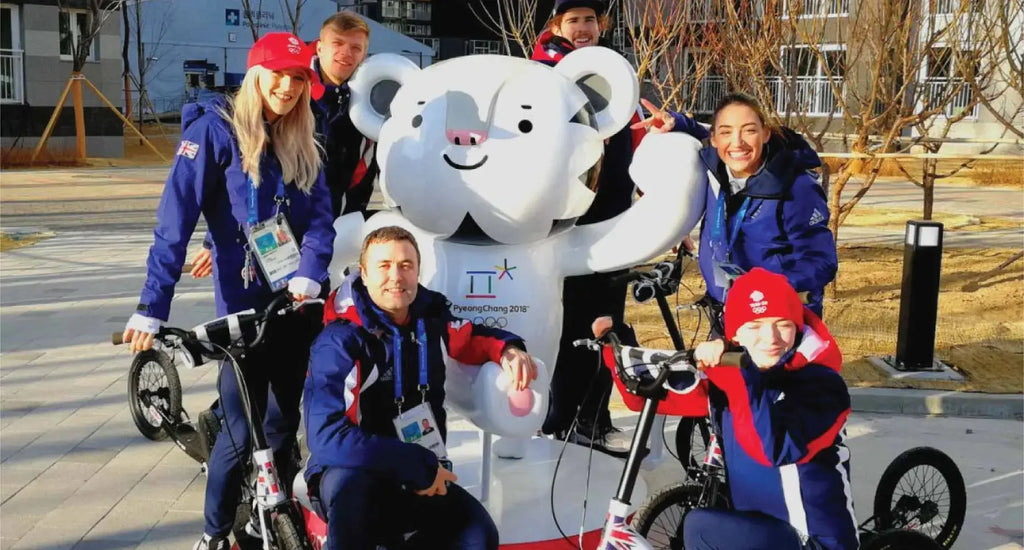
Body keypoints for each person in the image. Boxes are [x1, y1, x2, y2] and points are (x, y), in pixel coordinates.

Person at [121, 32, 335, 550]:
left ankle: (271, 515)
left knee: (284, 428)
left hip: (296, 303)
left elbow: (322, 220)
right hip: (242, 310)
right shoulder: (215, 133)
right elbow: (174, 226)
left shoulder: (304, 136)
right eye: (279, 74)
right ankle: (214, 534)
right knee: (240, 433)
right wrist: (152, 308)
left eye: (299, 77)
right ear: (257, 73)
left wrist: (310, 269)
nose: (287, 87)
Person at [303, 226, 538, 550]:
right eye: (383, 266)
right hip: (351, 469)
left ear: (417, 271)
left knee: (479, 536)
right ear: (364, 274)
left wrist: (508, 349)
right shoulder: (339, 341)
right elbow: (326, 437)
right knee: (354, 501)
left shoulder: (430, 318)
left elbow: (470, 338)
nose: (395, 276)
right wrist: (412, 462)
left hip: (421, 468)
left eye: (405, 265)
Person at [532, 0, 643, 456]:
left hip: (612, 223)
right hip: (569, 225)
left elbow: (633, 132)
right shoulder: (543, 74)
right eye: (573, 20)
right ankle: (566, 418)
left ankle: (592, 418)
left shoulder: (612, 73)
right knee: (573, 325)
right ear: (557, 26)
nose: (583, 28)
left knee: (607, 324)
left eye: (590, 20)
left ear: (603, 25)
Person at [187, 12, 376, 278]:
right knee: (269, 309)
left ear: (364, 55)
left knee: (317, 306)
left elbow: (364, 176)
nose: (346, 53)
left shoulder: (366, 105)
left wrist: (351, 230)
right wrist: (214, 238)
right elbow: (247, 165)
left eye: (355, 48)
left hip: (324, 231)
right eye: (338, 44)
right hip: (272, 230)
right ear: (320, 46)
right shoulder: (289, 91)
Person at [685, 267, 856, 550]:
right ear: (735, 335)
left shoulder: (822, 385)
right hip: (762, 525)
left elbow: (773, 449)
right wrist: (617, 346)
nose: (771, 337)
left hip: (812, 541)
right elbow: (669, 397)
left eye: (783, 323)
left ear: (798, 326)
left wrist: (736, 373)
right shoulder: (743, 373)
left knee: (700, 526)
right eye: (754, 326)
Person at [634, 93, 837, 318]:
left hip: (778, 321)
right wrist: (674, 121)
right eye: (726, 132)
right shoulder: (714, 165)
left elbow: (821, 262)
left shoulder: (795, 188)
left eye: (749, 130)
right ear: (714, 139)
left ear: (765, 133)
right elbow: (703, 132)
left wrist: (769, 290)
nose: (737, 142)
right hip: (726, 313)